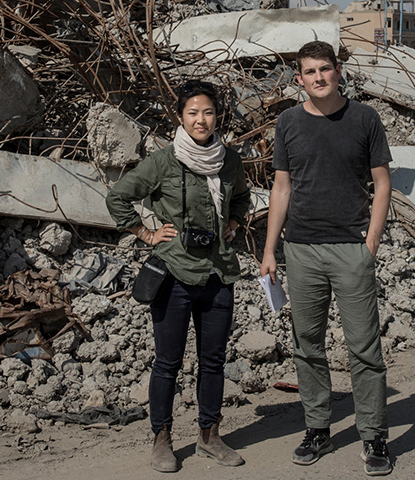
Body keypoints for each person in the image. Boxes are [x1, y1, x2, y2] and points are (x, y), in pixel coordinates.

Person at [260, 40, 393, 476]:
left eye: (325, 69)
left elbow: (382, 184)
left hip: (351, 249)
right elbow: (281, 188)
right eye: (309, 72)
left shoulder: (364, 119)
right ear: (299, 79)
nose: (318, 78)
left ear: (338, 71)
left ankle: (374, 436)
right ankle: (318, 428)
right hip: (301, 251)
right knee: (307, 347)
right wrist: (269, 249)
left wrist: (369, 246)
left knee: (364, 348)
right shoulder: (289, 122)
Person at [106, 80, 251, 473]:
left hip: (218, 273)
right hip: (174, 273)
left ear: (217, 116)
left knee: (214, 360)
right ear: (181, 117)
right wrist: (146, 233)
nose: (201, 119)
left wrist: (235, 221)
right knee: (167, 362)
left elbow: (242, 196)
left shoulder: (229, 160)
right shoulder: (164, 161)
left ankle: (209, 436)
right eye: (193, 112)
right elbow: (118, 196)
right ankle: (162, 439)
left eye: (207, 112)